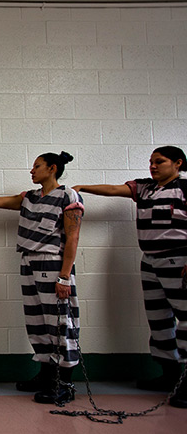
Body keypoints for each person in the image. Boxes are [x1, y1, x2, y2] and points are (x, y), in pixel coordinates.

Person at [0, 151, 83, 405]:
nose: (32, 171)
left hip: (52, 262)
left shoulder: (67, 196)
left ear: (52, 168)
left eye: (36, 166)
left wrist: (64, 277)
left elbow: (72, 237)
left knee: (59, 323)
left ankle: (65, 383)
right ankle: (46, 374)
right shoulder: (30, 197)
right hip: (28, 261)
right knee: (37, 322)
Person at [73, 145, 187, 409]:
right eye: (151, 162)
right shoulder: (146, 188)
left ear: (177, 163)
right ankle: (169, 376)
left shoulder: (183, 189)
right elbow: (114, 190)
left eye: (160, 162)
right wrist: (82, 187)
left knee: (186, 321)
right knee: (159, 320)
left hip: (179, 261)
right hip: (150, 261)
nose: (153, 166)